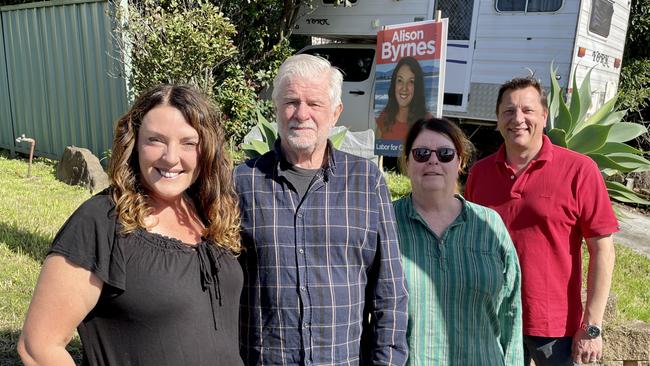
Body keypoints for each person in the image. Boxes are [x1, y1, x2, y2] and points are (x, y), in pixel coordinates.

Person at [18, 84, 244, 365]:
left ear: (207, 149)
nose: (171, 157)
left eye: (188, 142)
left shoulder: (208, 213)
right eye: (155, 140)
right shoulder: (102, 222)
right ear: (134, 143)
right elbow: (37, 347)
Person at [234, 54, 409, 365]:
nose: (301, 114)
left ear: (335, 112)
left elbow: (390, 294)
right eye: (291, 102)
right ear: (276, 109)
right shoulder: (241, 183)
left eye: (314, 104)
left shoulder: (366, 182)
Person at [465, 77, 618, 366]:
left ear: (544, 116)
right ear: (497, 119)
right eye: (508, 111)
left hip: (554, 327)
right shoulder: (480, 174)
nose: (517, 119)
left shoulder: (579, 170)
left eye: (528, 110)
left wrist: (592, 326)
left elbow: (604, 250)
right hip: (491, 319)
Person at [393, 117, 523, 365]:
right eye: (421, 153)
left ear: (460, 161)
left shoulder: (489, 225)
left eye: (445, 154)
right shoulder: (385, 224)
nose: (433, 160)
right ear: (407, 163)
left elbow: (511, 310)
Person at [376, 56, 429, 141]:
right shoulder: (385, 117)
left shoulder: (427, 121)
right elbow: (378, 149)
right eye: (400, 80)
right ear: (394, 84)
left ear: (417, 86)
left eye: (411, 81)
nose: (404, 88)